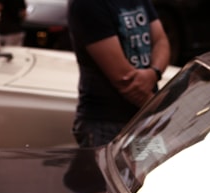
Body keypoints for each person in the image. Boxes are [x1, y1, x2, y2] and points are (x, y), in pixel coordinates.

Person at [67, 0, 170, 147]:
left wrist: (154, 72)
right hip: (107, 124)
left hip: (143, 116)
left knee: (151, 169)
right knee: (113, 170)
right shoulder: (86, 4)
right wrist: (160, 112)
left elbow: (161, 40)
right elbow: (124, 79)